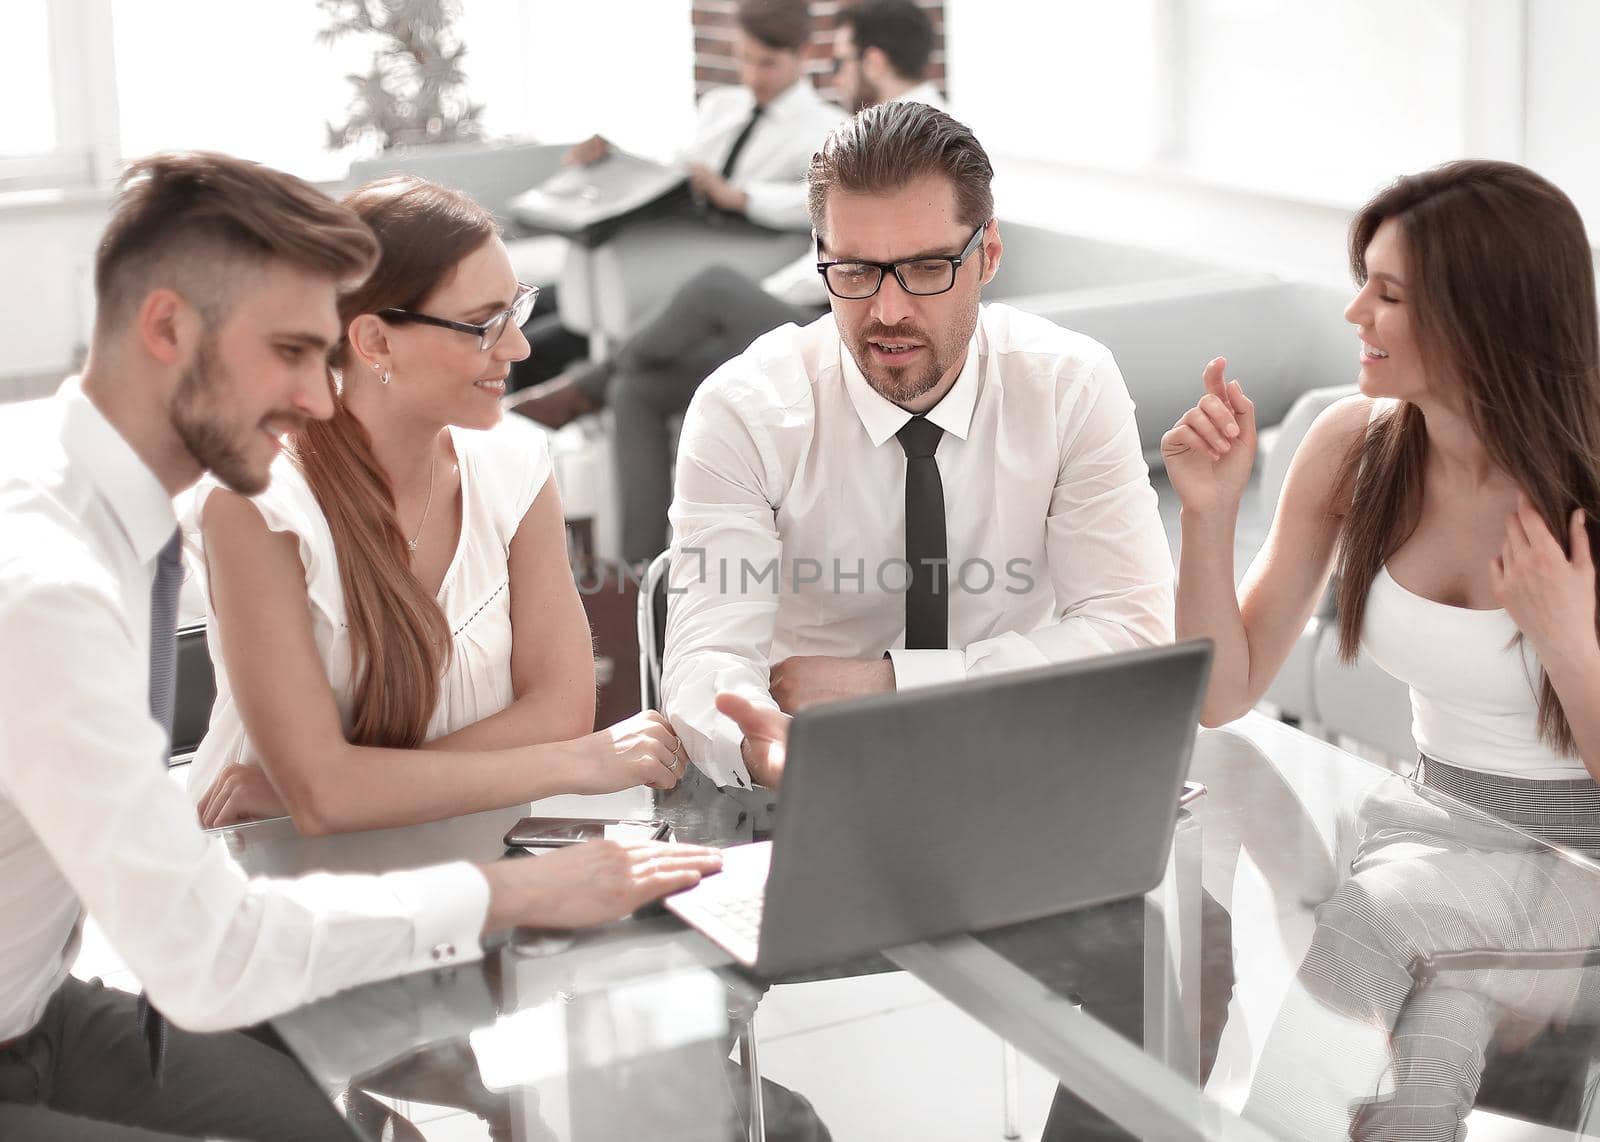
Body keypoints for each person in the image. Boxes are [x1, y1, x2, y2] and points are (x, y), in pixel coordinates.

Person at [0, 150, 722, 1141]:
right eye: (293, 352)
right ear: (168, 327)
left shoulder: (104, 503)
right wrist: (517, 886)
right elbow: (206, 951)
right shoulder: (47, 579)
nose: (317, 395)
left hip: (41, 1005)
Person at [1163, 159, 1600, 1138]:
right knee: (1422, 1022)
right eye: (1362, 279)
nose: (1354, 309)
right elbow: (1222, 691)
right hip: (1430, 829)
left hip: (1583, 856)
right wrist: (1208, 512)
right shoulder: (1353, 448)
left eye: (1388, 291)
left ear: (1483, 311)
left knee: (1386, 929)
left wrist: (1570, 638)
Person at [662, 100, 1174, 792]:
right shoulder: (745, 410)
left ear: (987, 255)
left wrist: (891, 684)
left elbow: (1133, 633)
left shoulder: (1068, 386)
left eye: (928, 269)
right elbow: (708, 656)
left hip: (1016, 757)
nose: (889, 310)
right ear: (820, 258)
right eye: (855, 270)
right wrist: (761, 747)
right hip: (807, 777)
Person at [185, 175, 690, 834]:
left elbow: (560, 709)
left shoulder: (516, 462)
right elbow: (325, 796)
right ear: (375, 343)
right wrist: (569, 765)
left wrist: (354, 785)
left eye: (516, 310)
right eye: (482, 324)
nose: (518, 348)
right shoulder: (256, 503)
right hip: (263, 870)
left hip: (457, 852)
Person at [511, 0, 943, 566]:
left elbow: (861, 248)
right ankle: (645, 580)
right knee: (638, 389)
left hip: (851, 327)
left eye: (840, 63)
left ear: (875, 60)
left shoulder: (924, 136)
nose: (835, 79)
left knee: (715, 286)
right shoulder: (877, 131)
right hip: (814, 305)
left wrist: (760, 273)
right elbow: (837, 242)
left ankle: (582, 386)